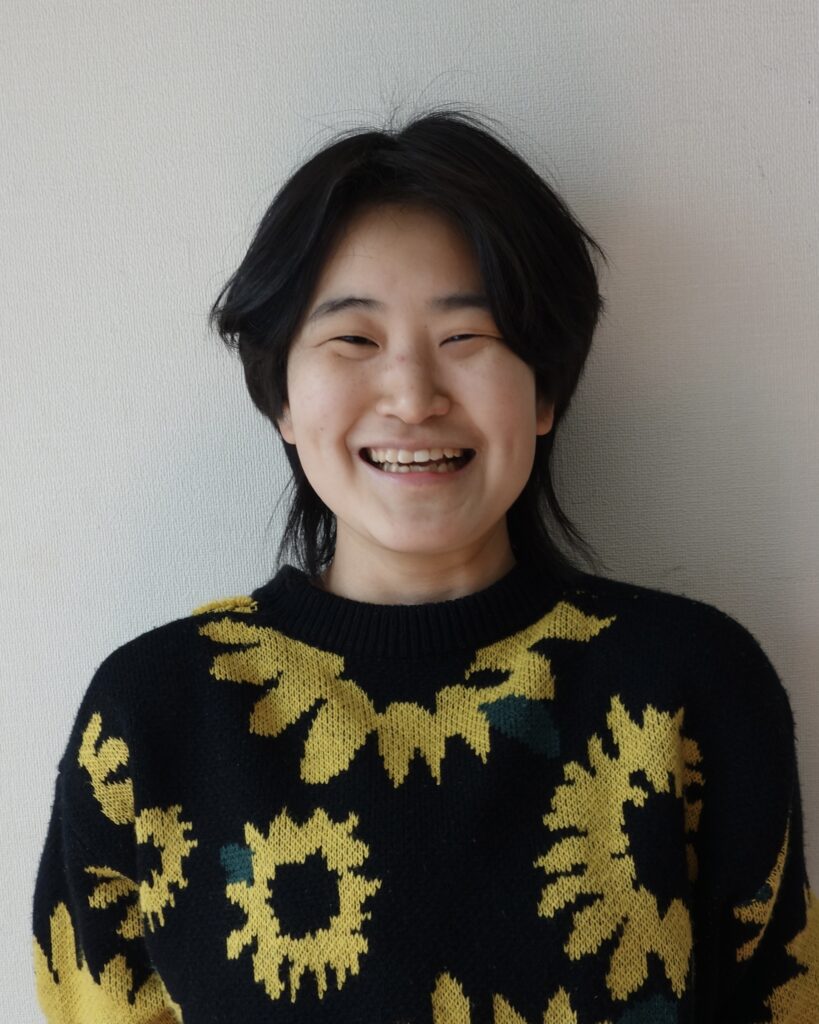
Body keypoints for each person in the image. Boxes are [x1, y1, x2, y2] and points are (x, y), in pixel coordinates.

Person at [32, 108, 818, 1023]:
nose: (411, 395)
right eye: (353, 341)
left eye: (466, 338)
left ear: (545, 390)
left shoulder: (691, 685)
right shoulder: (152, 712)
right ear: (281, 396)